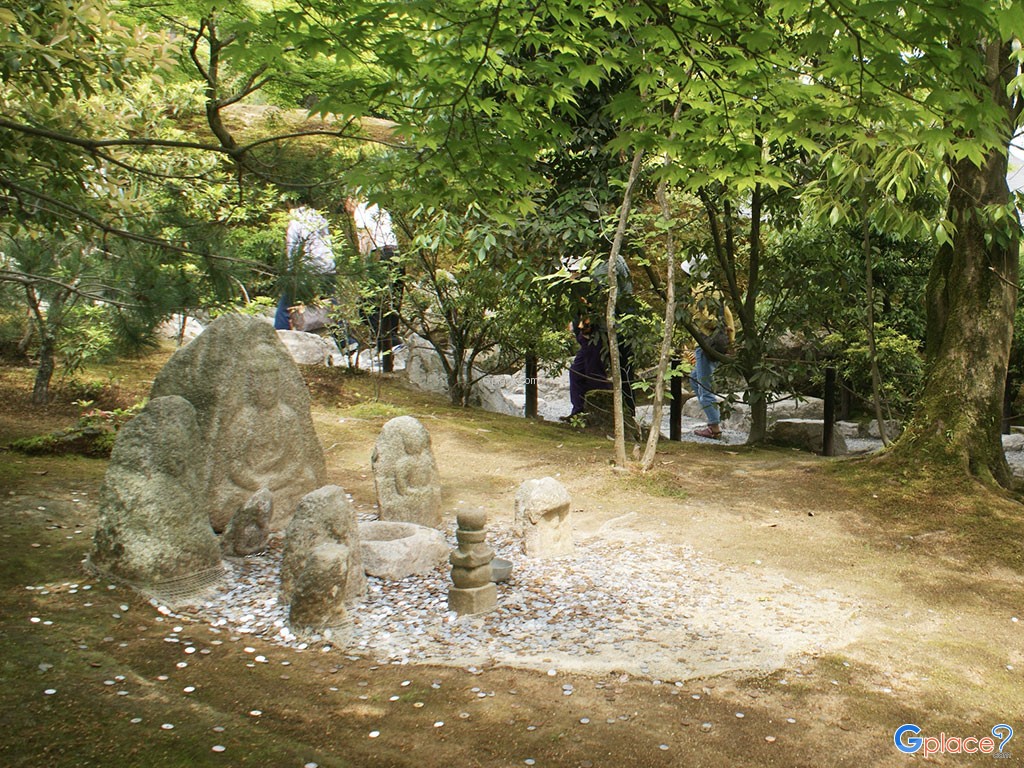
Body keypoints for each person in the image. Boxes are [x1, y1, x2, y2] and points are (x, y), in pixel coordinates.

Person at [563, 254, 637, 421]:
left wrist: (587, 326)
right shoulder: (610, 261)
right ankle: (579, 412)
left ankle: (603, 414)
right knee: (578, 372)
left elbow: (600, 302)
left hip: (604, 330)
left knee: (595, 373)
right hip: (601, 329)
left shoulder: (603, 267)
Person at [345, 197, 404, 370]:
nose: (345, 206)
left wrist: (363, 266)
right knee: (391, 303)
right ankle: (390, 344)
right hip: (397, 255)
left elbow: (365, 237)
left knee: (366, 307)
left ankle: (389, 344)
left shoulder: (361, 209)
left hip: (380, 256)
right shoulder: (380, 208)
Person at [682, 257, 735, 439]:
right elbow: (727, 315)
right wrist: (731, 338)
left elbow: (707, 319)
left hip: (705, 342)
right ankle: (712, 418)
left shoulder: (697, 292)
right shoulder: (715, 289)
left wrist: (699, 322)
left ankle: (714, 427)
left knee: (704, 385)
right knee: (695, 378)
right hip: (719, 341)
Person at [274, 206, 336, 331]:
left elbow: (293, 250)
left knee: (286, 304)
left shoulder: (295, 223)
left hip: (307, 269)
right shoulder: (321, 219)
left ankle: (280, 332)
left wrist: (291, 272)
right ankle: (344, 340)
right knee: (330, 304)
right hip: (327, 268)